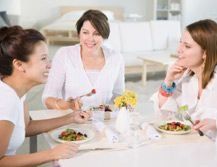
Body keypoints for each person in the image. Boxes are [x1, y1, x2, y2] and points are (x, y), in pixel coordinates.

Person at [151, 19, 217, 161]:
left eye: (187, 46)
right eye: (180, 43)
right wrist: (169, 81)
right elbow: (166, 115)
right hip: (198, 149)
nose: (179, 50)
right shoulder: (187, 76)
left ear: (205, 52)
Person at [0, 26, 90, 166]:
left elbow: (26, 127)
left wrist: (70, 118)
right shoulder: (6, 101)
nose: (50, 65)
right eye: (43, 59)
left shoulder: (16, 91)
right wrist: (51, 154)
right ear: (19, 64)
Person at [42, 9, 125, 110]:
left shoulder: (116, 58)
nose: (90, 38)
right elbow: (48, 98)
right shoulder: (64, 54)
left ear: (104, 35)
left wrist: (123, 106)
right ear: (79, 33)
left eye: (97, 34)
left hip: (104, 122)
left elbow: (118, 95)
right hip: (71, 121)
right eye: (85, 32)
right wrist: (67, 105)